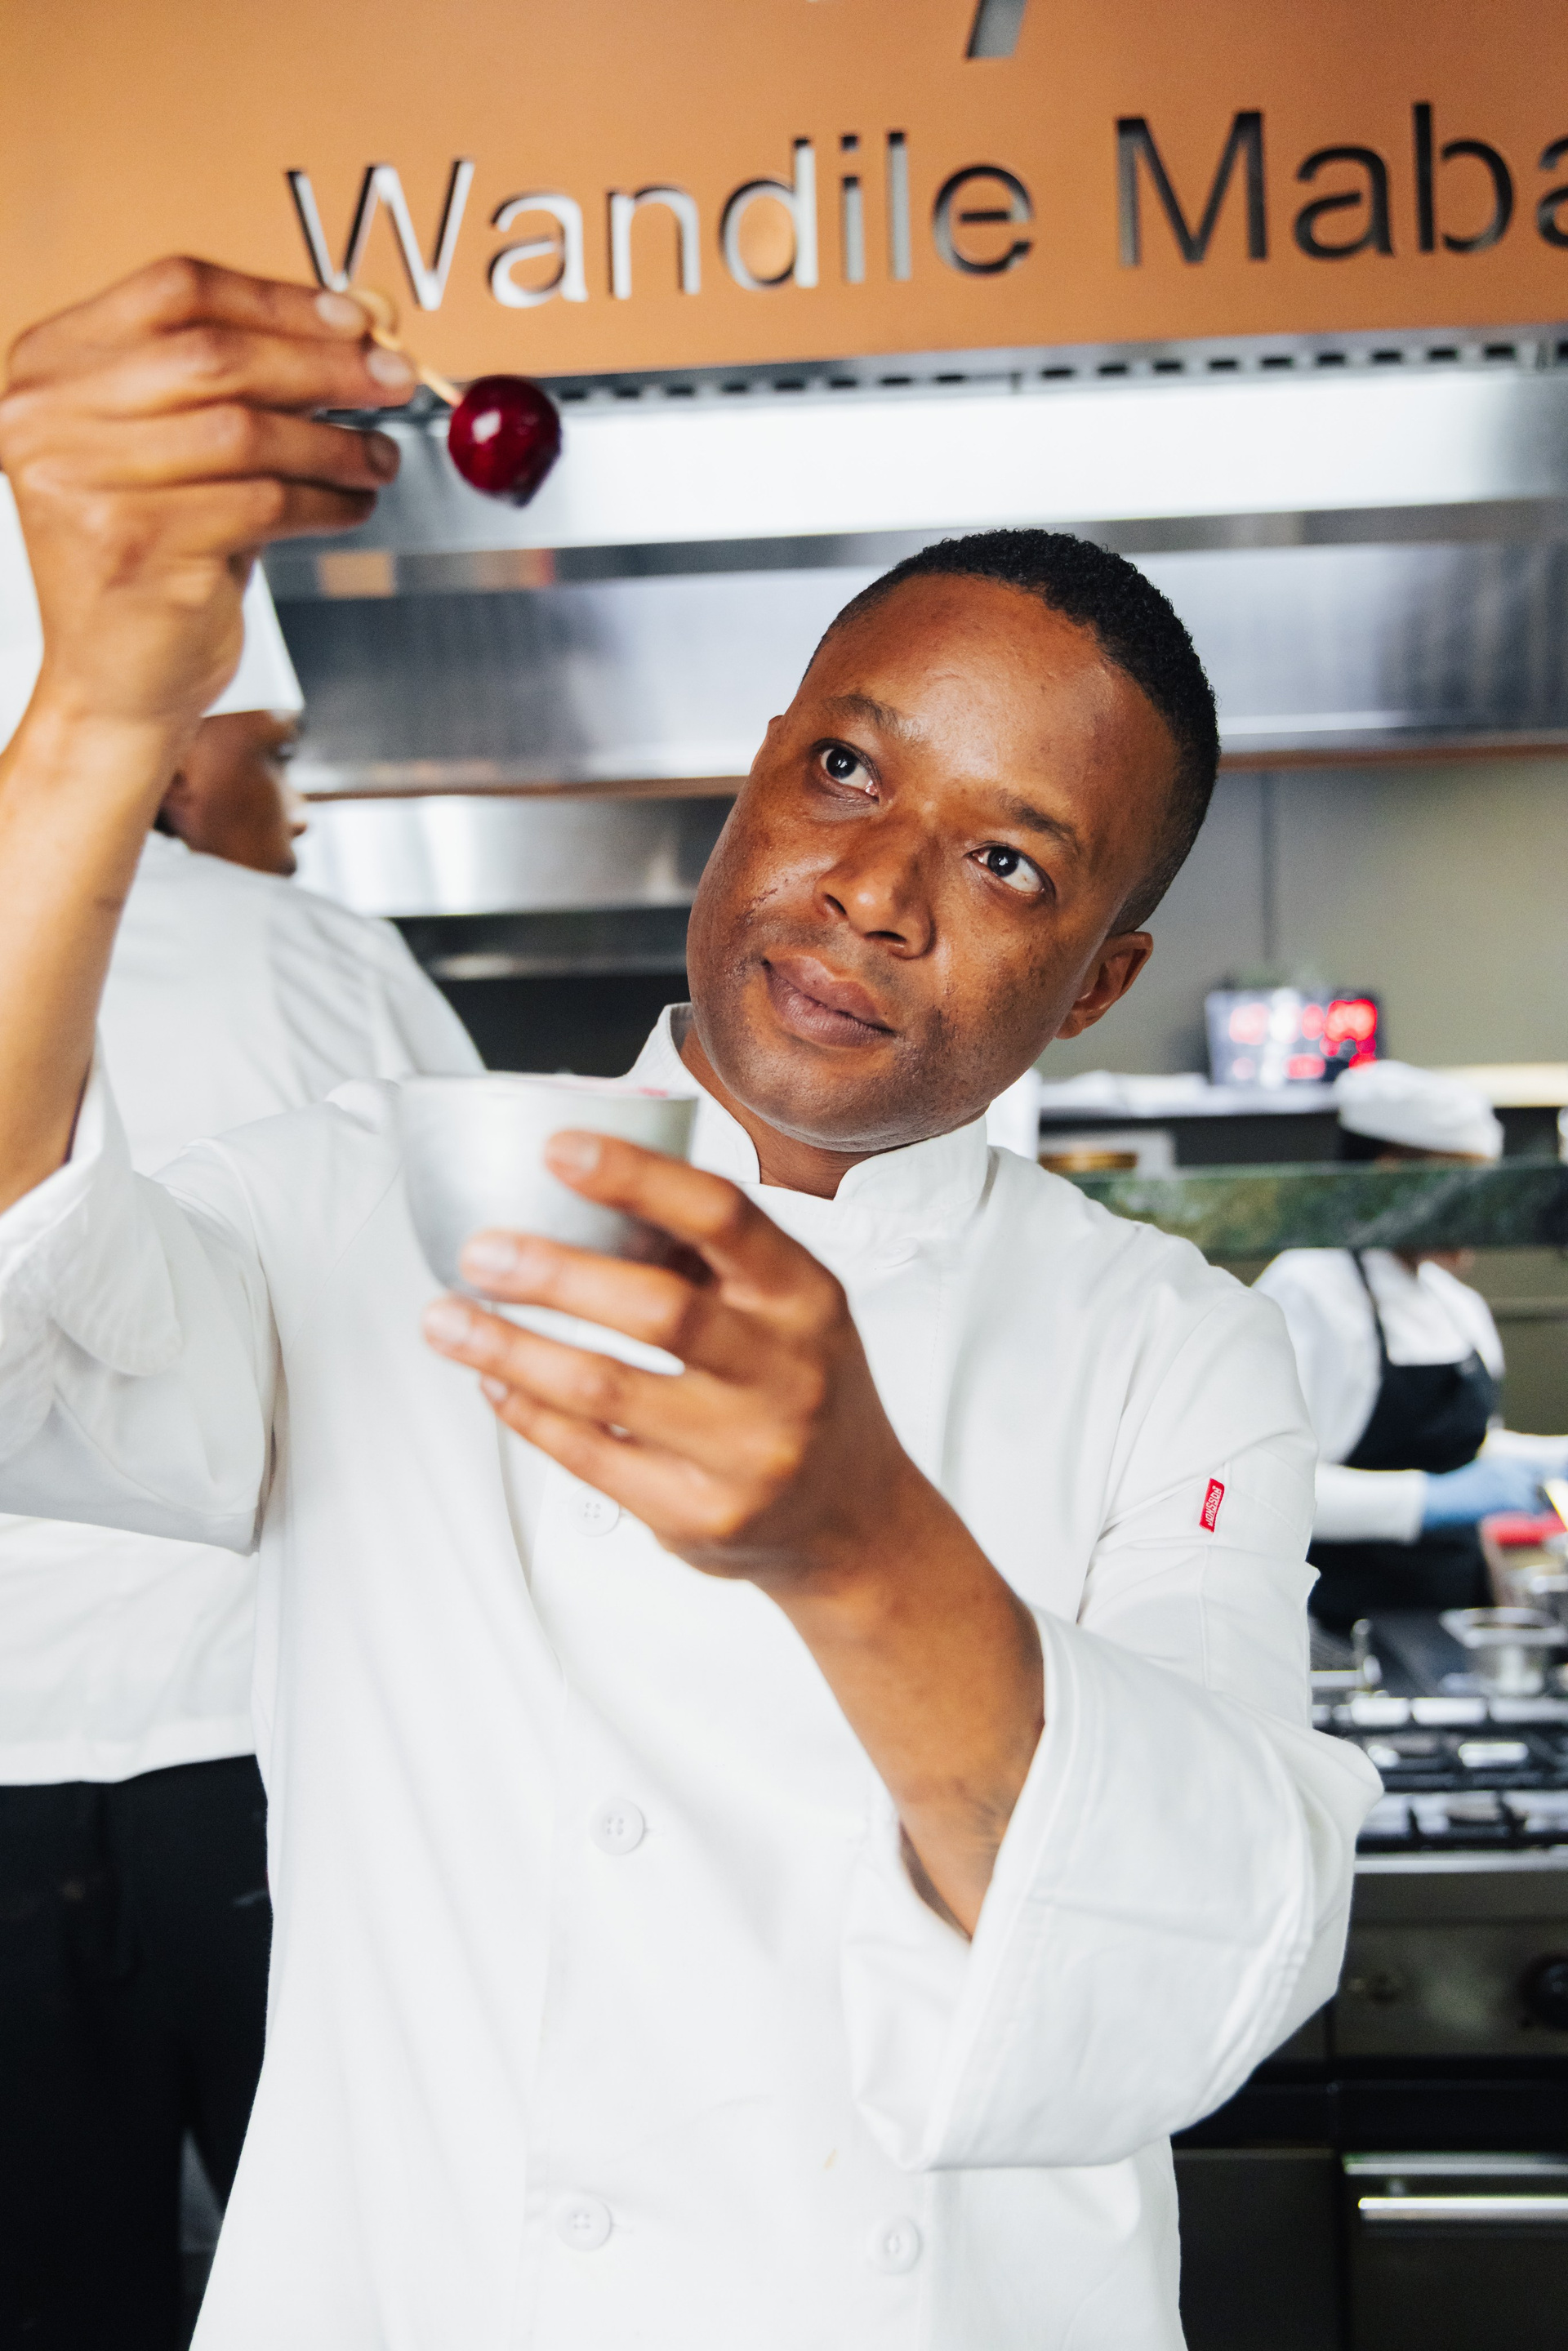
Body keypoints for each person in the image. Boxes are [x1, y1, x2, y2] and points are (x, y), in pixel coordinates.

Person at [0, 260, 1376, 2351]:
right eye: (846, 769)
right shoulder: (386, 1195)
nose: (875, 888)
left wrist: (857, 1540)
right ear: (754, 776)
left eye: (1009, 863)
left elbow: (1199, 1953)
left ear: (1100, 980)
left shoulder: (1171, 1353)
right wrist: (98, 713)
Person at [0, 483, 481, 2351]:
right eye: (267, 750)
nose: (287, 799)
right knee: (367, 2280)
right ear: (176, 743)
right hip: (268, 1770)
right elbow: (484, 1305)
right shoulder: (315, 958)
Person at [1256, 1059, 1568, 1630]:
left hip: (1456, 1614)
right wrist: (1429, 1500)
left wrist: (1548, 1459)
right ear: (1393, 1177)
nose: (1486, 1210)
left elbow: (1469, 1452)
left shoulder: (1455, 1304)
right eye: (1465, 1186)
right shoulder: (1310, 1287)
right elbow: (1267, 1485)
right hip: (1337, 1625)